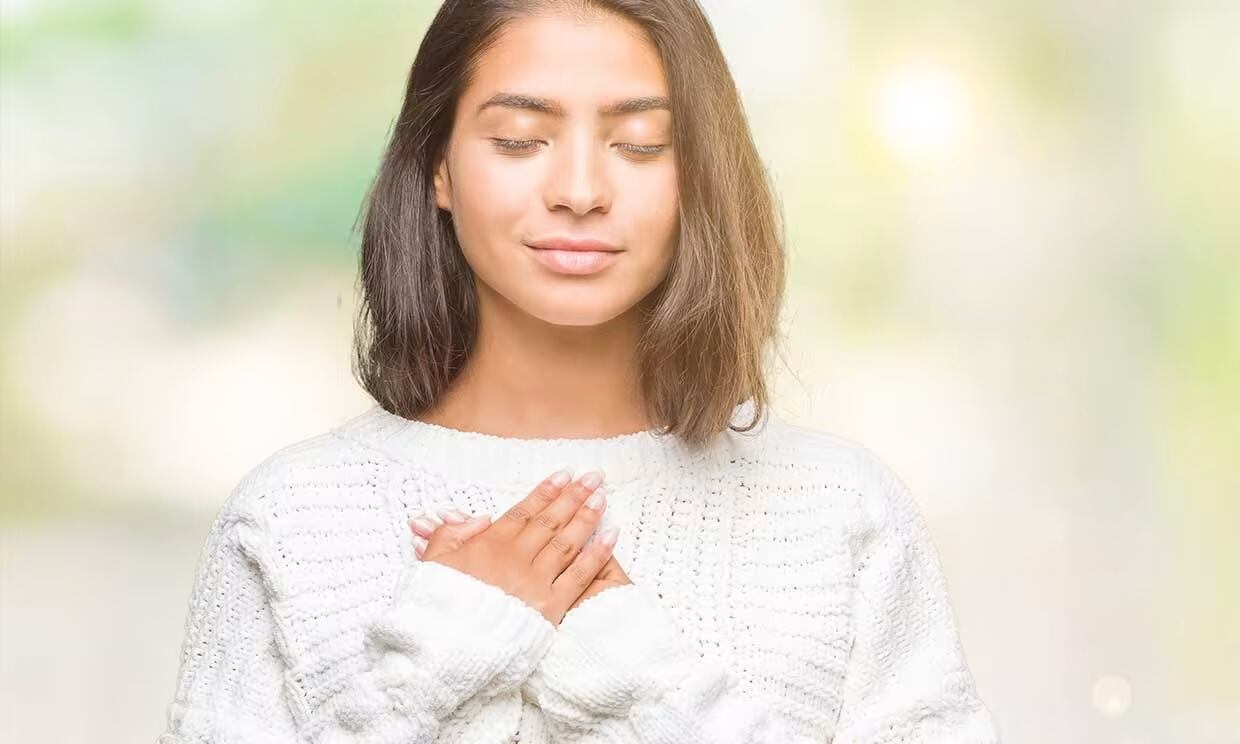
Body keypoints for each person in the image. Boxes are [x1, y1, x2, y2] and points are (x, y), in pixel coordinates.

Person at [158, 1, 1001, 742]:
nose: (580, 189)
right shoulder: (292, 518)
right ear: (439, 167)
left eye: (640, 145)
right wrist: (442, 663)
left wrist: (634, 676)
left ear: (699, 176)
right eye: (521, 139)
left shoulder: (838, 513)